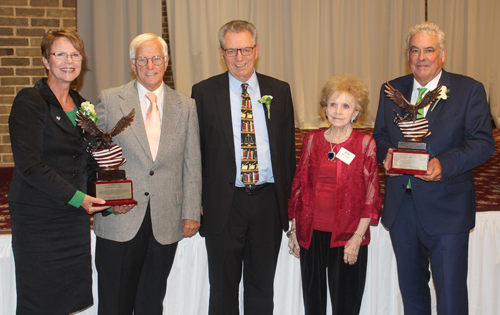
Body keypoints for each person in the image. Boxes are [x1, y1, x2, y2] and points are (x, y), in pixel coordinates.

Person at [373, 22, 495, 315]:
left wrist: (445, 163)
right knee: (413, 296)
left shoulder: (468, 90)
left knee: (451, 297)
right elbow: (379, 135)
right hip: (402, 209)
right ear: (408, 55)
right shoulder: (392, 89)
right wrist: (385, 156)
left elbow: (482, 143)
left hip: (447, 209)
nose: (421, 57)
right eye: (415, 50)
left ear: (442, 53)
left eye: (429, 50)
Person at [191, 20, 296, 315]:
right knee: (222, 289)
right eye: (231, 50)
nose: (239, 57)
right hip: (224, 204)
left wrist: (291, 202)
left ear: (256, 50)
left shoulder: (280, 90)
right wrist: (196, 200)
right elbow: (195, 152)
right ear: (222, 53)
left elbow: (288, 151)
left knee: (261, 287)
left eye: (245, 49)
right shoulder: (203, 92)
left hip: (268, 202)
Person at [93, 33, 201, 315]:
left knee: (151, 302)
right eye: (142, 59)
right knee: (115, 302)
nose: (150, 64)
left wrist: (191, 211)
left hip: (165, 218)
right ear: (132, 63)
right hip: (121, 217)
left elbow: (192, 163)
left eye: (156, 58)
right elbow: (94, 156)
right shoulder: (109, 99)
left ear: (166, 62)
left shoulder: (186, 106)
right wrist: (105, 202)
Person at [8, 28, 109, 314]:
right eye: (60, 54)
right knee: (40, 301)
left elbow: (85, 163)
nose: (69, 60)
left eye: (75, 54)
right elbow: (29, 165)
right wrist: (80, 199)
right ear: (45, 60)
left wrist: (110, 200)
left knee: (67, 300)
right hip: (39, 220)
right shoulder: (30, 101)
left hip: (72, 222)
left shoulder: (81, 105)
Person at [288, 74, 382, 315]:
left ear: (356, 112)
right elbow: (299, 187)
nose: (338, 110)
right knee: (313, 305)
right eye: (333, 104)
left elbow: (371, 196)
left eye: (346, 105)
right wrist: (294, 230)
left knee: (346, 306)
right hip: (311, 234)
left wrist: (357, 238)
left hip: (347, 235)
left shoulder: (364, 144)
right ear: (325, 108)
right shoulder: (312, 140)